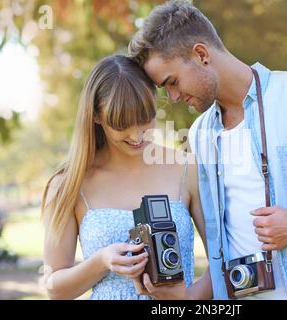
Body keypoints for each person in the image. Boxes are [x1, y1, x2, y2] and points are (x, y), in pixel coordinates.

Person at [128, 0, 287, 299]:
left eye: (172, 82)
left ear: (201, 54)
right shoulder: (201, 133)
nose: (173, 97)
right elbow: (220, 245)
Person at [41, 54, 212, 300]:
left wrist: (185, 299)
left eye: (146, 119)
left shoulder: (187, 167)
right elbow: (54, 288)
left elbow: (221, 260)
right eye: (122, 124)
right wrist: (101, 262)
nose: (137, 135)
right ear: (97, 117)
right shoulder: (69, 184)